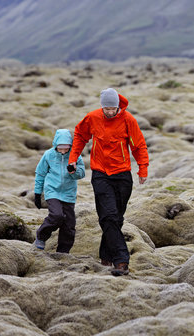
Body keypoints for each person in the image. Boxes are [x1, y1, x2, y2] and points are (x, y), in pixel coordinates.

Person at [68, 88, 148, 276]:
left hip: (122, 175)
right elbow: (80, 135)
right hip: (100, 173)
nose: (110, 112)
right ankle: (121, 260)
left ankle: (105, 256)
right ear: (102, 107)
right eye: (107, 109)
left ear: (118, 106)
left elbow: (138, 145)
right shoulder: (92, 117)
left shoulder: (128, 119)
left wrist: (142, 169)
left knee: (116, 219)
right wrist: (73, 157)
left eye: (113, 109)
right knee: (108, 216)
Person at [33, 129, 85, 253]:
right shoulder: (48, 155)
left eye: (66, 148)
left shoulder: (75, 155)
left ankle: (63, 252)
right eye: (60, 147)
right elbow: (40, 174)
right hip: (52, 191)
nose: (63, 150)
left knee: (69, 225)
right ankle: (41, 236)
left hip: (69, 193)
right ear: (55, 145)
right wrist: (37, 193)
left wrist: (74, 171)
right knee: (57, 216)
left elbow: (82, 173)